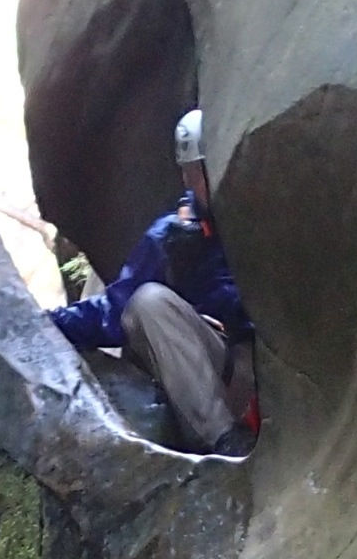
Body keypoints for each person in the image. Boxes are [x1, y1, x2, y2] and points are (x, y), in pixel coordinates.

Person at [47, 109, 258, 457]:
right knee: (149, 301)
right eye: (197, 171)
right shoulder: (173, 236)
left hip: (276, 367)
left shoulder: (254, 211)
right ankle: (224, 439)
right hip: (225, 374)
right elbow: (114, 310)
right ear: (188, 177)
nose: (205, 179)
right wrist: (46, 324)